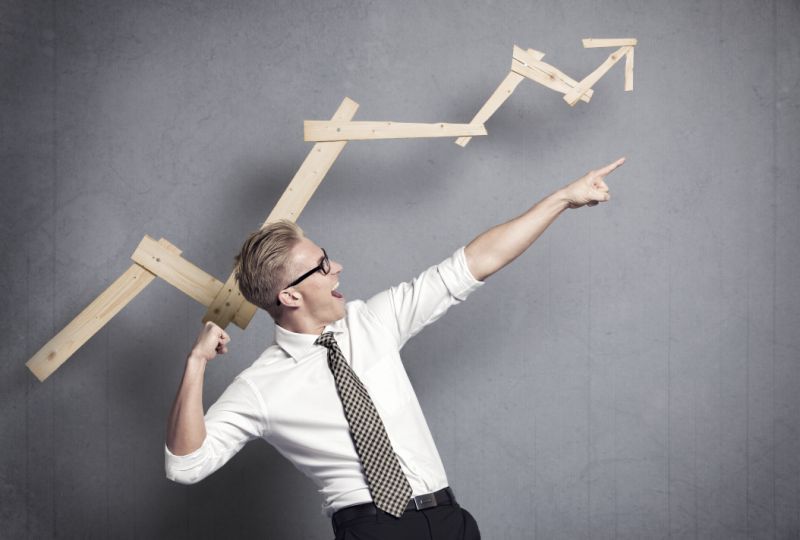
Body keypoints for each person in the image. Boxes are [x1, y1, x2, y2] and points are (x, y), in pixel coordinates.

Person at [165, 157, 626, 539]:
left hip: (449, 520)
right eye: (323, 266)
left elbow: (474, 263)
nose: (338, 267)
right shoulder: (262, 386)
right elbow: (186, 466)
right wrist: (196, 364)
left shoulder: (374, 320)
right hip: (372, 528)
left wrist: (562, 199)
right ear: (290, 296)